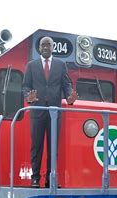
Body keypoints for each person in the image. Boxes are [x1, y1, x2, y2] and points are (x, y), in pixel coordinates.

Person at [22, 36, 78, 188]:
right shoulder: (31, 65)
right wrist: (29, 96)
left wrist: (69, 96)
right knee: (37, 146)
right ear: (39, 48)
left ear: (53, 48)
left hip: (55, 111)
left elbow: (66, 84)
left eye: (48, 45)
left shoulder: (61, 65)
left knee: (53, 147)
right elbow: (25, 86)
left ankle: (50, 179)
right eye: (43, 45)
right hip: (37, 110)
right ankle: (35, 178)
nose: (46, 48)